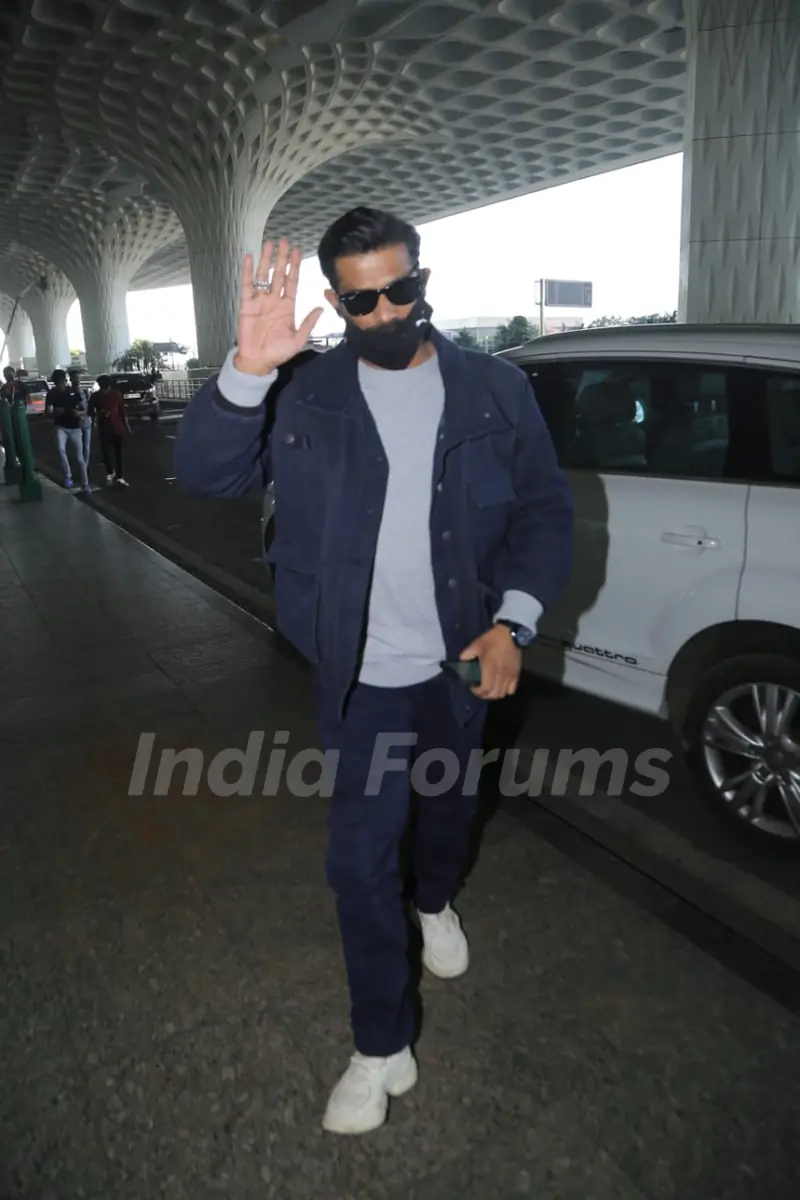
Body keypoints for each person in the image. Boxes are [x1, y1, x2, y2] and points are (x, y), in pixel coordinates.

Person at [175, 208, 574, 1135]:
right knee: (357, 861)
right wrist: (245, 371)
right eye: (364, 299)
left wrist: (515, 621)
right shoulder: (304, 393)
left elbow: (545, 514)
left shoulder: (495, 389)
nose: (389, 311)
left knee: (447, 816)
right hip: (359, 680)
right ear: (336, 301)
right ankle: (380, 1044)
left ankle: (435, 899)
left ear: (423, 277)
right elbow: (205, 476)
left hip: (461, 665)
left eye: (404, 288)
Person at [50, 368, 90, 492]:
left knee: (79, 457)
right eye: (57, 383)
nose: (60, 385)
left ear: (65, 381)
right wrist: (54, 412)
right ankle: (68, 476)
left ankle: (85, 483)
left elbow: (84, 410)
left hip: (75, 427)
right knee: (61, 450)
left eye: (61, 382)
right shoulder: (52, 394)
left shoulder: (73, 392)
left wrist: (78, 413)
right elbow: (47, 412)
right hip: (60, 426)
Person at [90, 375, 130, 486]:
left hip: (113, 428)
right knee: (110, 453)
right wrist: (100, 413)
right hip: (107, 427)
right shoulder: (97, 396)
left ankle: (117, 475)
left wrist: (126, 426)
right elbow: (90, 411)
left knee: (114, 453)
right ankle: (113, 474)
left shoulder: (114, 395)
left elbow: (122, 411)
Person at [69, 368, 93, 468]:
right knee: (78, 449)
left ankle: (84, 469)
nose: (76, 380)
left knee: (86, 448)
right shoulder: (68, 393)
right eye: (74, 378)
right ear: (70, 379)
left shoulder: (85, 392)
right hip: (74, 425)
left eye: (78, 378)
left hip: (86, 423)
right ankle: (81, 469)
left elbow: (90, 407)